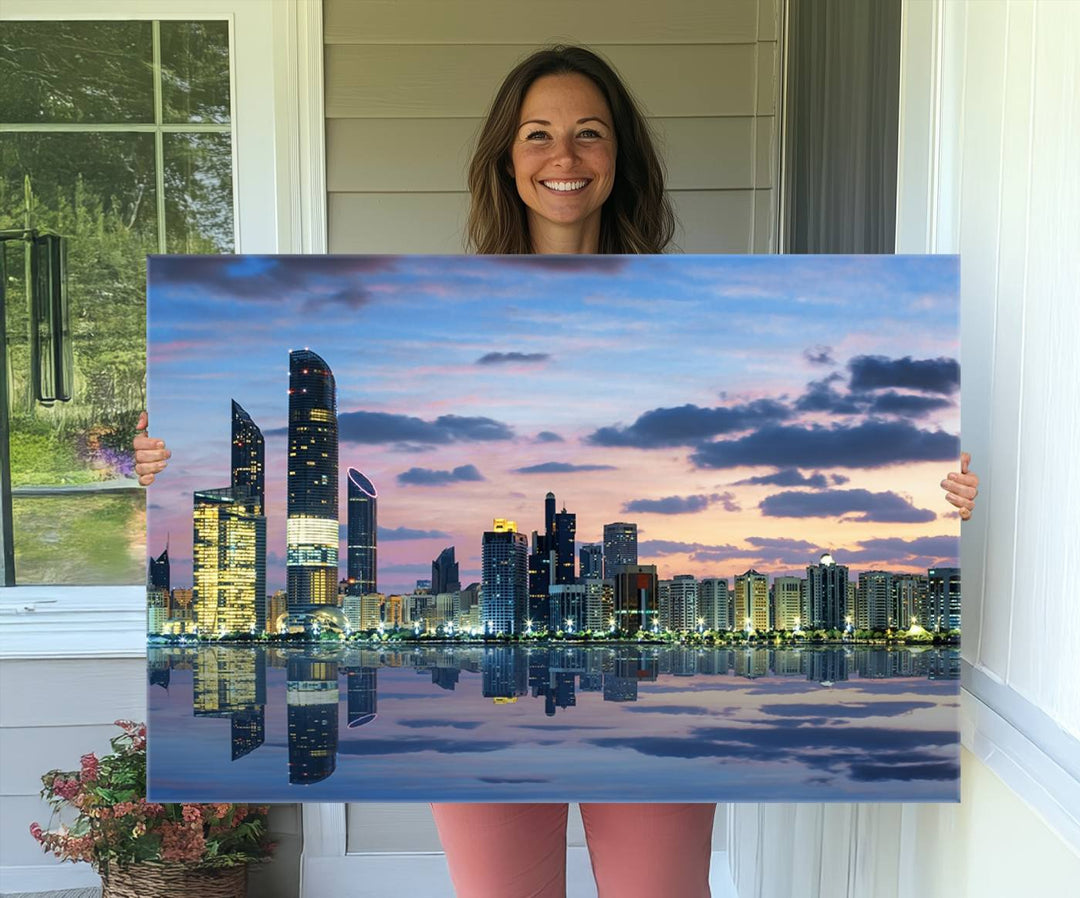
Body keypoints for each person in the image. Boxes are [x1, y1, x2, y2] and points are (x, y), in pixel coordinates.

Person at [134, 45, 979, 898]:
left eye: (589, 134)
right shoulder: (437, 309)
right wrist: (164, 465)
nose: (563, 157)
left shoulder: (688, 305)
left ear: (620, 158)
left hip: (638, 713)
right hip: (488, 729)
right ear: (507, 157)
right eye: (538, 135)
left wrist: (937, 493)